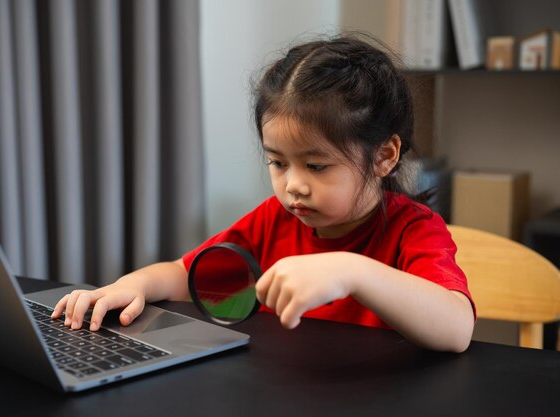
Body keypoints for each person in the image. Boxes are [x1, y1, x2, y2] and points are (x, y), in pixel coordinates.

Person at [52, 34, 475, 353]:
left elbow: (456, 330)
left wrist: (352, 271)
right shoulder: (275, 218)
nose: (293, 184)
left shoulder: (412, 230)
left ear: (384, 156)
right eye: (278, 162)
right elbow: (187, 274)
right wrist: (133, 284)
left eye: (316, 166)